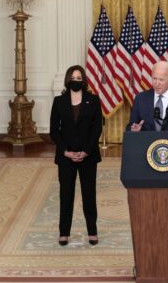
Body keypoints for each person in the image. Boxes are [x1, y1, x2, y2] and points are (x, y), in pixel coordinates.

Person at [49, 65, 103, 246]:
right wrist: (66, 151)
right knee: (66, 195)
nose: (76, 80)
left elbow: (97, 129)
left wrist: (86, 151)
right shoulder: (59, 101)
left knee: (89, 194)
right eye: (73, 77)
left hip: (88, 155)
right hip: (66, 156)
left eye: (79, 78)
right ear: (67, 80)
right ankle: (64, 232)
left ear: (84, 80)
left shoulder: (93, 100)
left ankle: (92, 232)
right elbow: (54, 131)